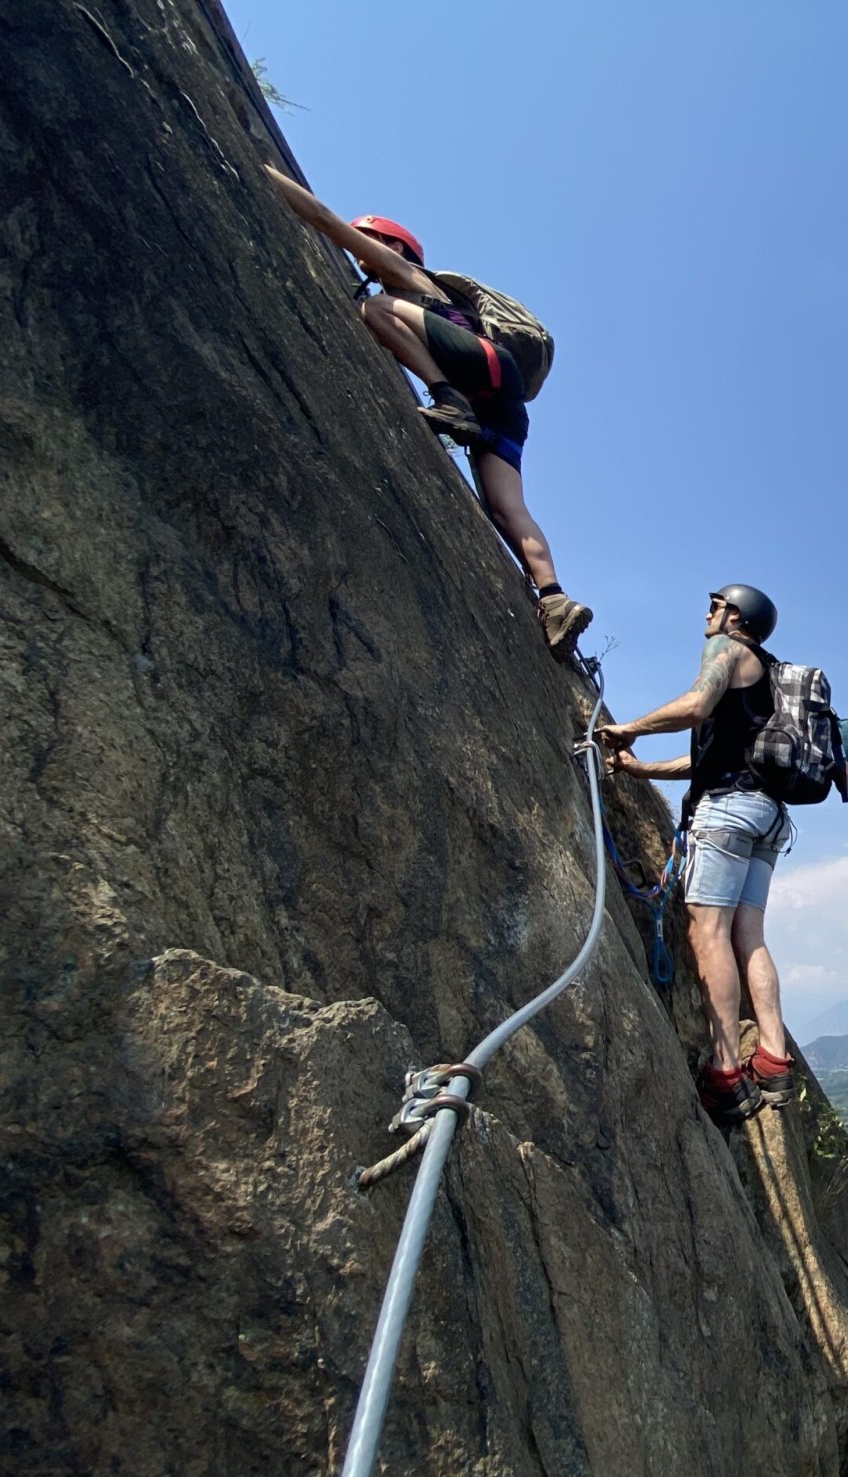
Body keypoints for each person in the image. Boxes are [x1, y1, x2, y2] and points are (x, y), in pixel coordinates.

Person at [263, 167, 592, 657]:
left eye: (369, 240)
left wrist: (260, 168)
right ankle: (555, 600)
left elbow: (321, 217)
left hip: (482, 371)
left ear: (395, 248)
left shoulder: (410, 279)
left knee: (375, 310)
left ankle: (446, 399)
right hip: (502, 400)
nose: (360, 251)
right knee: (507, 508)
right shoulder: (425, 290)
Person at [593, 584, 795, 1125]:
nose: (708, 614)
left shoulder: (725, 650)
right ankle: (774, 1058)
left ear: (736, 616)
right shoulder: (773, 677)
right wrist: (639, 769)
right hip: (768, 818)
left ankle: (726, 1072)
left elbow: (696, 705)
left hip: (727, 814)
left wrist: (629, 728)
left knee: (708, 933)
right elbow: (705, 762)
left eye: (716, 606)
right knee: (748, 935)